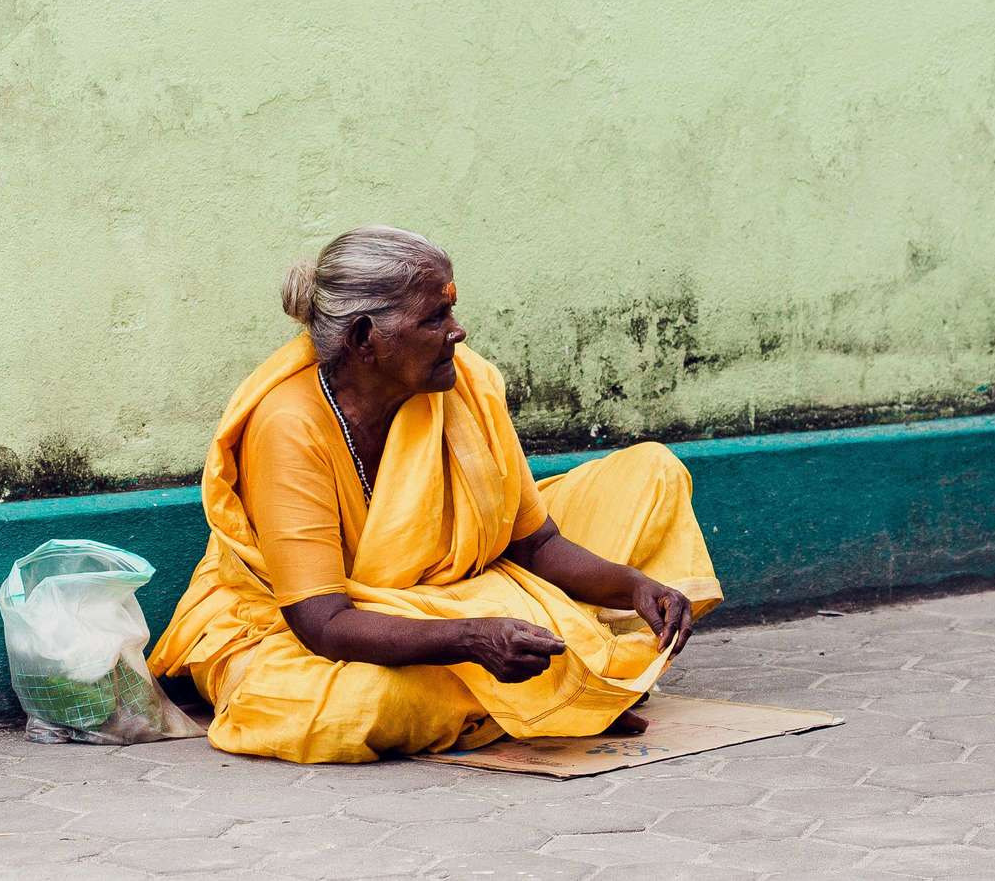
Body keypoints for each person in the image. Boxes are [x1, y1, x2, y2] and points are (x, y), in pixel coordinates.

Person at [149, 225, 722, 763]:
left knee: (651, 473)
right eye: (435, 317)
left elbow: (536, 543)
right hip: (308, 623)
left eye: (452, 308)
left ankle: (562, 674)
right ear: (364, 338)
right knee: (353, 705)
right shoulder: (288, 425)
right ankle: (562, 686)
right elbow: (322, 623)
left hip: (456, 588)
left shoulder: (464, 382)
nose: (457, 330)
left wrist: (635, 586)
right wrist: (470, 638)